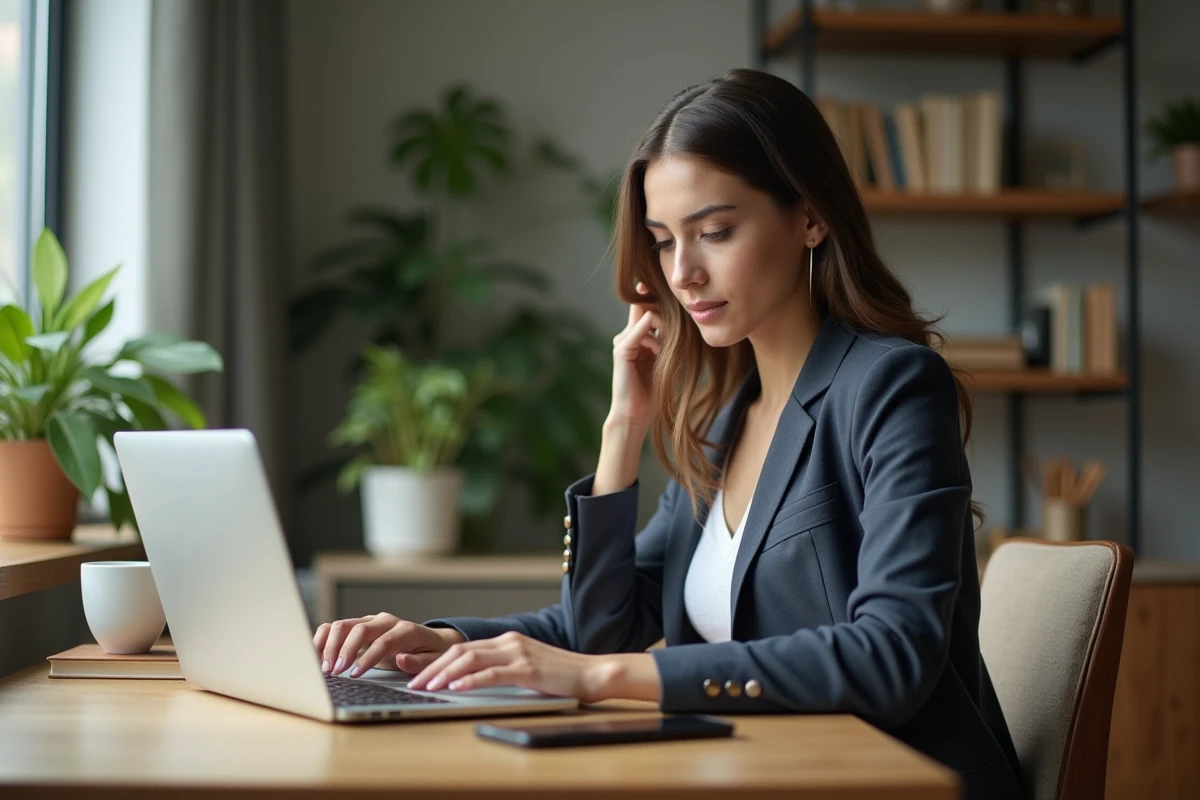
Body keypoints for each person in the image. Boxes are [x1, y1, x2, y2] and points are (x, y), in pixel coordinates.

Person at [313, 68, 1025, 799]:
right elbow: (601, 628)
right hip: (750, 774)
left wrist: (597, 679)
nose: (683, 273)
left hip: (893, 782)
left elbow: (893, 655)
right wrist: (452, 640)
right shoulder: (724, 420)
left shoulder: (891, 385)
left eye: (715, 232)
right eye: (662, 241)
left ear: (810, 217)